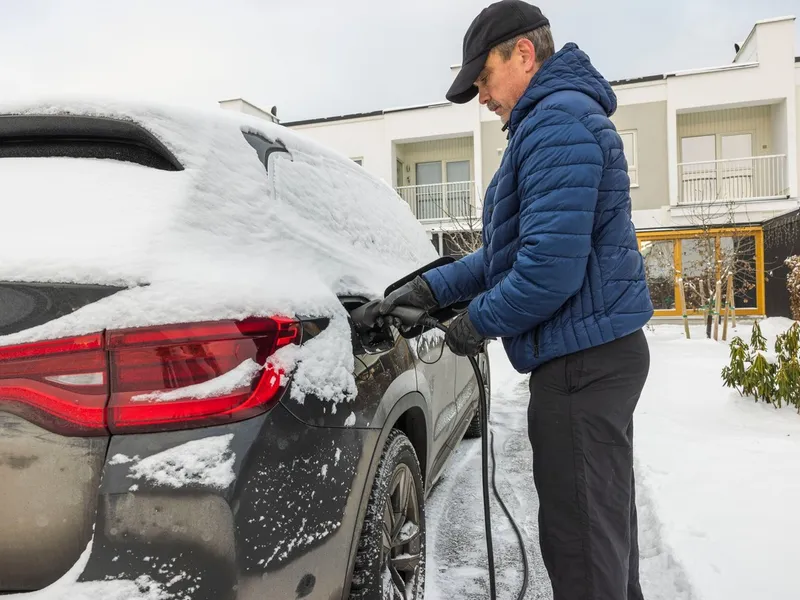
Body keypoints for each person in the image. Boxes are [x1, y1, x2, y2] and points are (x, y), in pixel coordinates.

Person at [378, 1, 655, 599]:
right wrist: (431, 290)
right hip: (591, 357)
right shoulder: (549, 122)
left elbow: (547, 272)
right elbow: (505, 257)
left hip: (584, 367)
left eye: (484, 78)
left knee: (582, 549)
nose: (482, 96)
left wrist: (472, 325)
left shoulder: (556, 123)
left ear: (523, 54)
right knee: (600, 538)